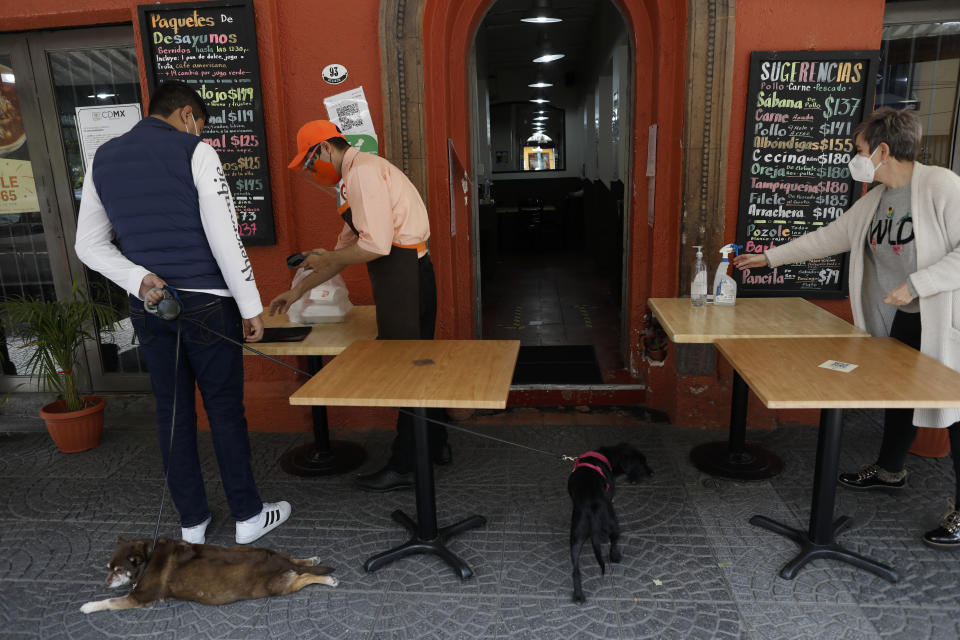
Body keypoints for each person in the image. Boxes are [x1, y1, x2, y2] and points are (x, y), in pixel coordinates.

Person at [732, 107, 960, 548]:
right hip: (904, 321)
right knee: (900, 394)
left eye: (859, 150)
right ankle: (890, 470)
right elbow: (830, 236)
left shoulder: (942, 186)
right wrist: (767, 259)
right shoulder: (875, 199)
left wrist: (917, 283)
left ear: (883, 149)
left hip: (946, 322)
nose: (854, 158)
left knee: (957, 415)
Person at [75, 81, 290, 545]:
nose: (198, 131)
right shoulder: (197, 150)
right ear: (187, 114)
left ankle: (192, 522)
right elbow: (225, 236)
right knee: (225, 410)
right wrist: (252, 307)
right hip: (210, 303)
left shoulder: (103, 160)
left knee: (172, 413)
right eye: (198, 124)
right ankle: (248, 516)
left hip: (151, 305)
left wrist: (138, 278)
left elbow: (87, 244)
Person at [269, 120, 450, 492]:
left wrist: (326, 259)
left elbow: (375, 247)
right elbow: (340, 253)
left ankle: (406, 465)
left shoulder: (362, 174)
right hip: (405, 275)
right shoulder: (353, 176)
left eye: (308, 162)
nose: (310, 172)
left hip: (403, 275)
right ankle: (435, 445)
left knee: (405, 371)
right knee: (415, 365)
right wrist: (298, 289)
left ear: (323, 149)